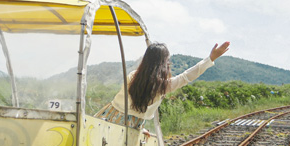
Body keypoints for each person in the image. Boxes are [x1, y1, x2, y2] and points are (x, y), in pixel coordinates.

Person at [96, 41, 230, 129]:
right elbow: (186, 76)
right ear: (164, 63)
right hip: (131, 127)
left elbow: (128, 108)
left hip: (108, 117)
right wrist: (210, 59)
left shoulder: (132, 76)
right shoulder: (163, 86)